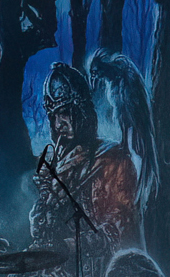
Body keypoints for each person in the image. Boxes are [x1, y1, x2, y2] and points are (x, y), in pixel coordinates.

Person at [30, 61, 140, 253]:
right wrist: (45, 196)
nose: (58, 124)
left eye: (64, 113)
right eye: (53, 117)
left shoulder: (111, 158)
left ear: (81, 112)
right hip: (60, 264)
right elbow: (41, 232)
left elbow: (120, 229)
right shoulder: (54, 164)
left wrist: (69, 247)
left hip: (102, 266)